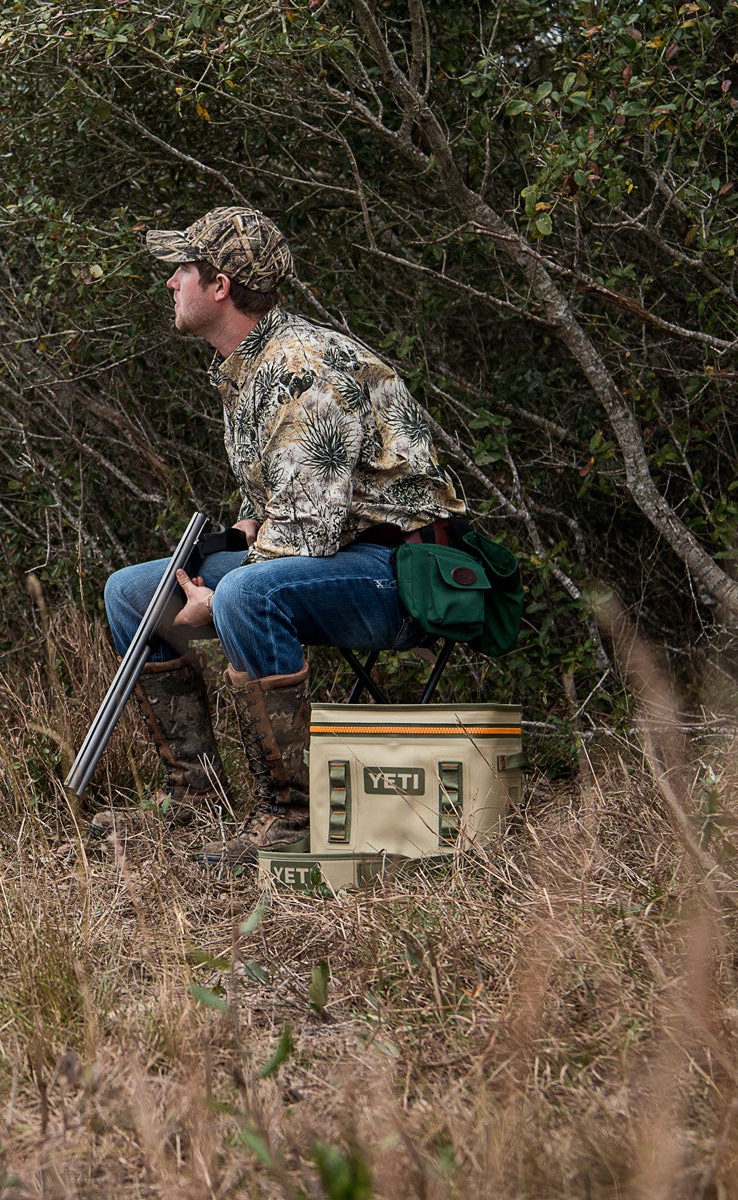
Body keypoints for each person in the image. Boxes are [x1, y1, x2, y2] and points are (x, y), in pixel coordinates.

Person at [98, 206, 466, 860]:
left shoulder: (300, 366)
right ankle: (195, 802)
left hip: (403, 577)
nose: (170, 283)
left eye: (182, 268)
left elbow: (306, 532)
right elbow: (280, 507)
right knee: (132, 593)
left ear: (220, 287)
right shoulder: (246, 366)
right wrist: (233, 537)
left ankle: (291, 821)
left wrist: (220, 592)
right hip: (332, 562)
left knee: (245, 595)